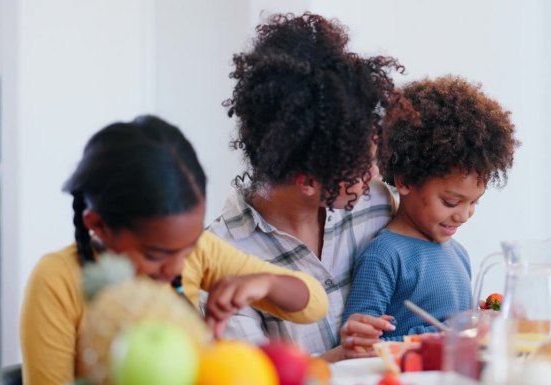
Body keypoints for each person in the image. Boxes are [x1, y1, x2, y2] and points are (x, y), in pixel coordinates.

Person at [20, 115, 329, 385]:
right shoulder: (57, 280)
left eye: (189, 246)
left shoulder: (199, 252)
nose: (176, 267)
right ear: (98, 225)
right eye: (155, 255)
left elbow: (314, 303)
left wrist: (266, 283)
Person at [207, 13, 411, 361]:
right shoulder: (222, 257)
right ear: (308, 183)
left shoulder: (377, 204)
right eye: (360, 170)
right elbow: (254, 377)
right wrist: (339, 356)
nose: (374, 173)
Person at [342, 75, 520, 340]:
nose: (464, 215)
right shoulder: (383, 256)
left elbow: (453, 324)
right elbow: (361, 343)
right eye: (450, 202)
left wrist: (477, 320)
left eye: (474, 202)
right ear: (405, 181)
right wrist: (437, 337)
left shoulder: (458, 254)